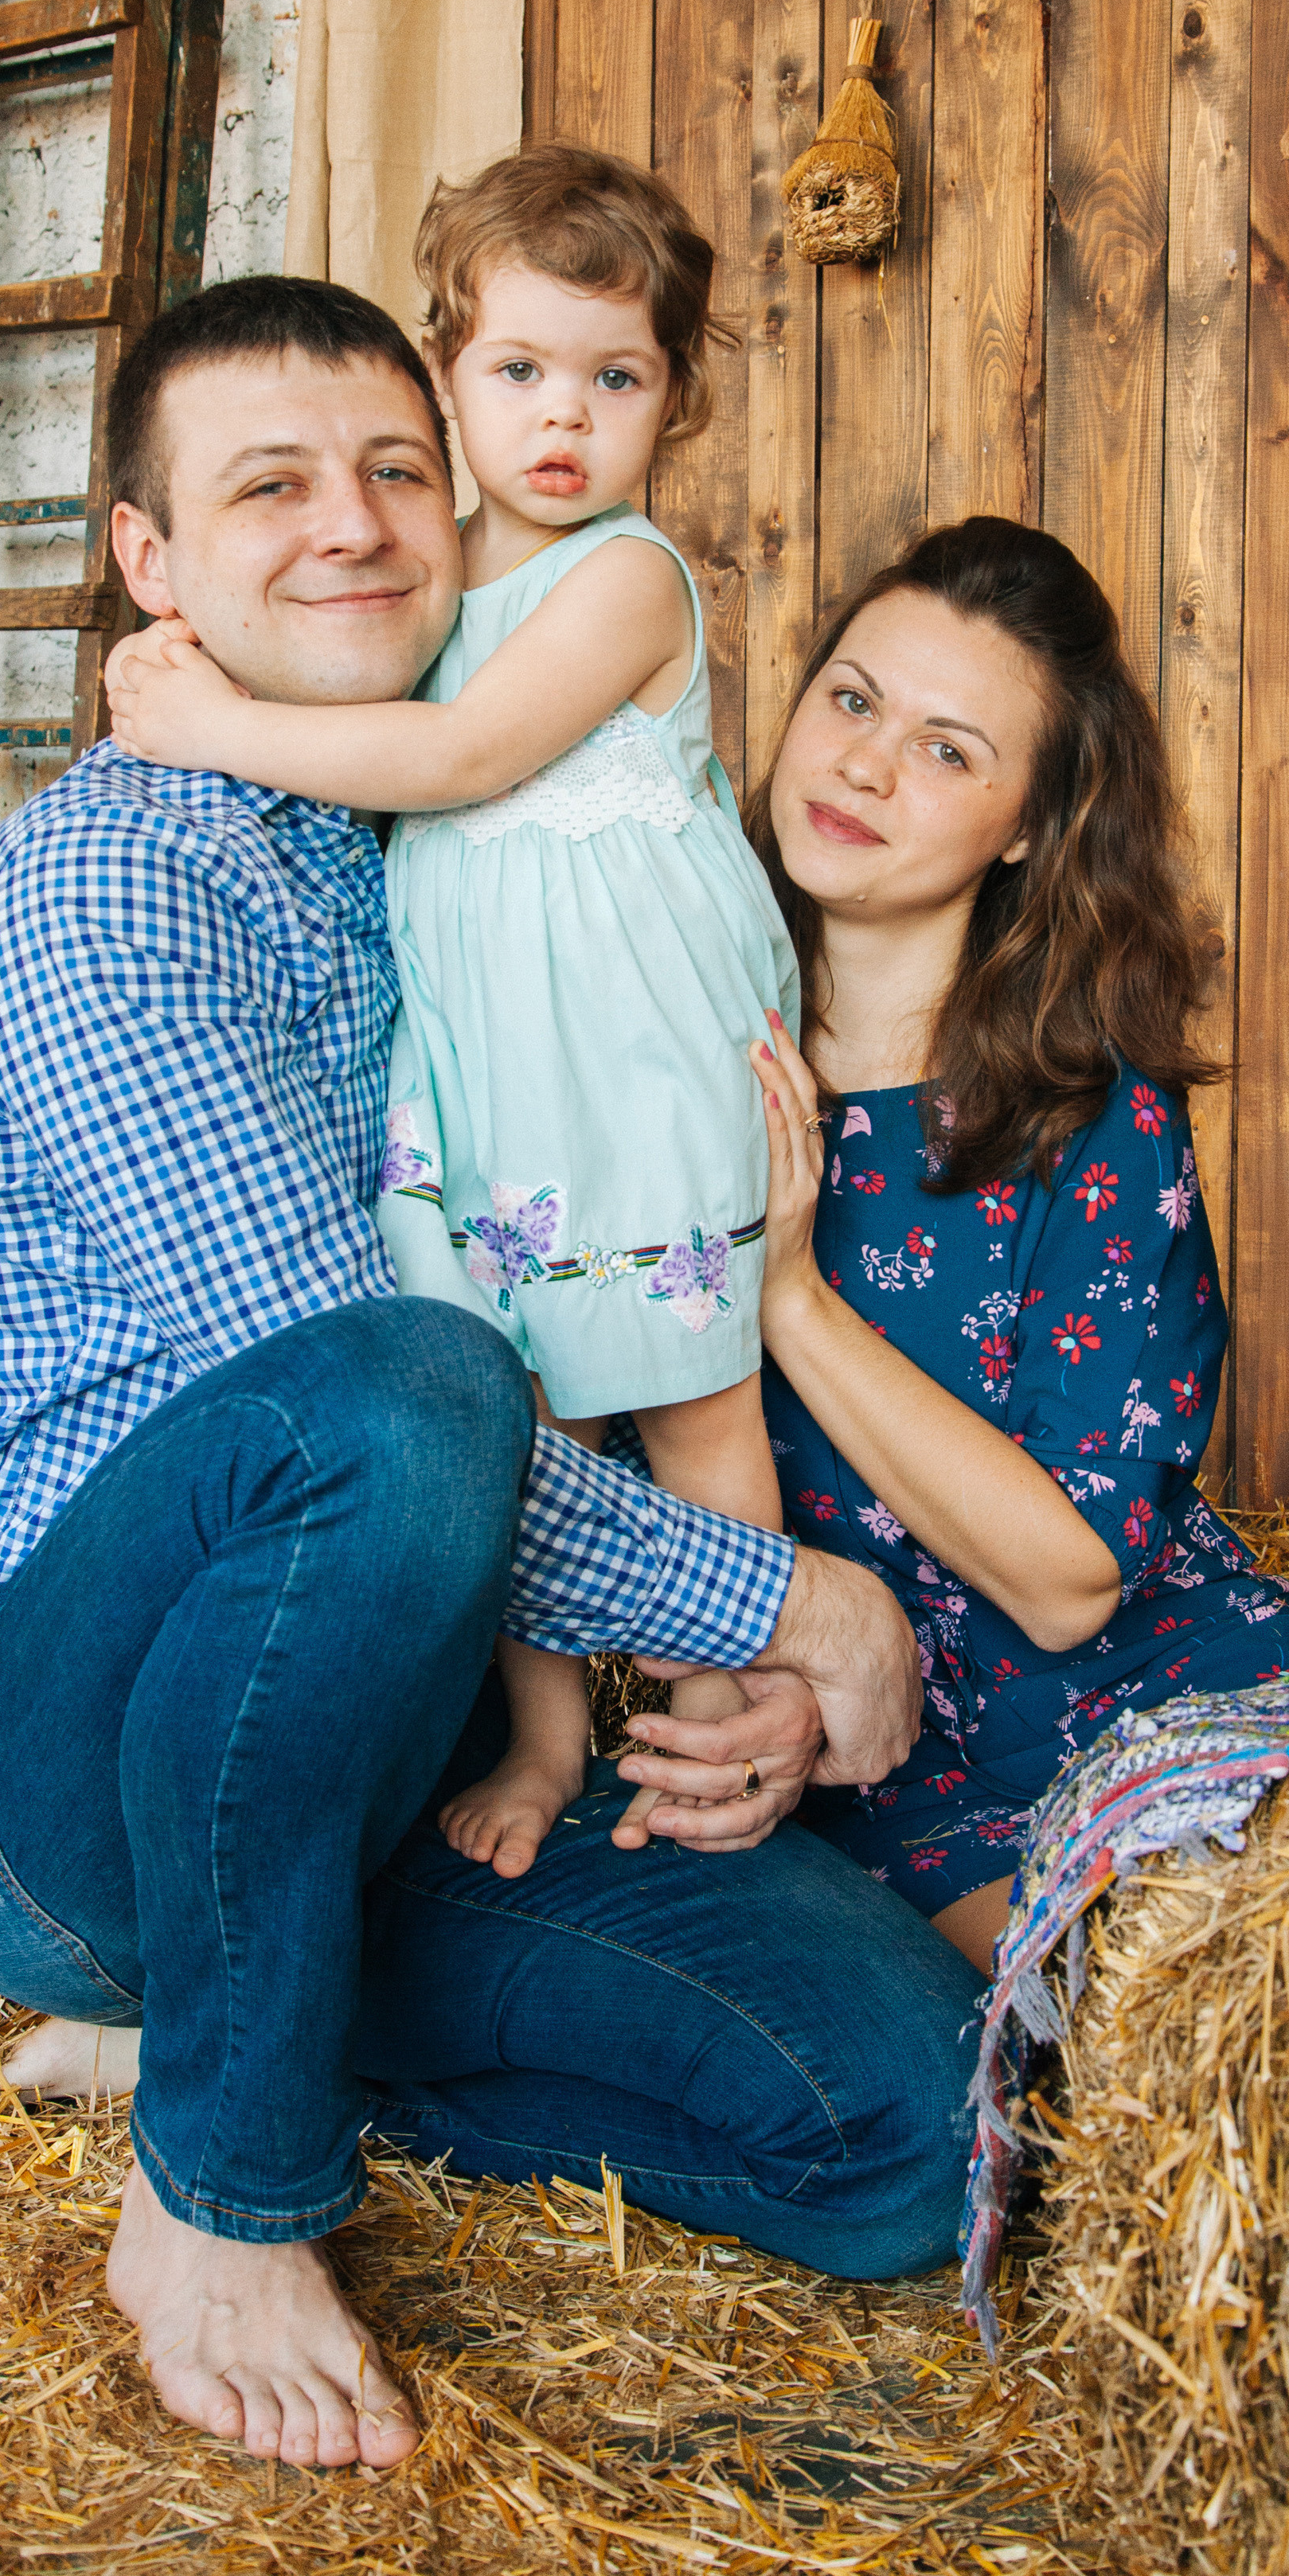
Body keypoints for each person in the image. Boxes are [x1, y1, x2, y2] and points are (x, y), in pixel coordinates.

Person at [0, 275, 983, 2478]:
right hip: (45, 1760)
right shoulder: (108, 889)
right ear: (149, 566)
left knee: (904, 2125)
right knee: (401, 1381)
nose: (357, 527)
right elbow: (366, 1401)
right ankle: (226, 2187)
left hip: (393, 1763)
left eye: (397, 473)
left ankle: (210, 2017)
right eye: (270, 487)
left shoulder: (443, 849)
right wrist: (792, 1609)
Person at [106, 147, 801, 1875]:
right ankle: (553, 1734)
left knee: (696, 1389)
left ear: (675, 404)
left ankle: (723, 1726)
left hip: (632, 1058)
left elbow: (461, 757)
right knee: (525, 1395)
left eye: (616, 379)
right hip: (492, 1070)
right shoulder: (423, 577)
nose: (565, 418)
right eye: (519, 373)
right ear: (447, 376)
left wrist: (203, 723)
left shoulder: (625, 578)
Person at [739, 519, 1289, 1973]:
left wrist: (792, 1302)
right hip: (858, 1762)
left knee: (1265, 2037)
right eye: (852, 698)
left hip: (1137, 1702)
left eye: (950, 750)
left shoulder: (1096, 1123)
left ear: (1029, 824)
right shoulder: (684, 1047)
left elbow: (1076, 1571)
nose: (867, 765)